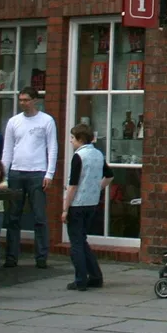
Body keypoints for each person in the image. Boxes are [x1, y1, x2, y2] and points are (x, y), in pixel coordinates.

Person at [0, 87, 58, 269]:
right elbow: (7, 150)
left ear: (35, 100)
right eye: (21, 100)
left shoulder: (46, 120)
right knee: (13, 216)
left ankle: (41, 257)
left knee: (39, 217)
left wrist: (49, 173)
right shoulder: (13, 122)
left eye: (26, 99)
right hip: (16, 172)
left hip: (37, 172)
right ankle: (11, 257)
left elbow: (52, 147)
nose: (23, 103)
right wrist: (4, 174)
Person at [61, 124, 112, 291]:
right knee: (82, 241)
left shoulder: (78, 156)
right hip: (92, 202)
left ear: (80, 139)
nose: (70, 141)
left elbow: (73, 185)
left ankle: (80, 279)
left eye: (72, 138)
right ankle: (95, 276)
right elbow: (110, 175)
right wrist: (98, 187)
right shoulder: (98, 154)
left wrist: (65, 208)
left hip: (77, 203)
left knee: (76, 243)